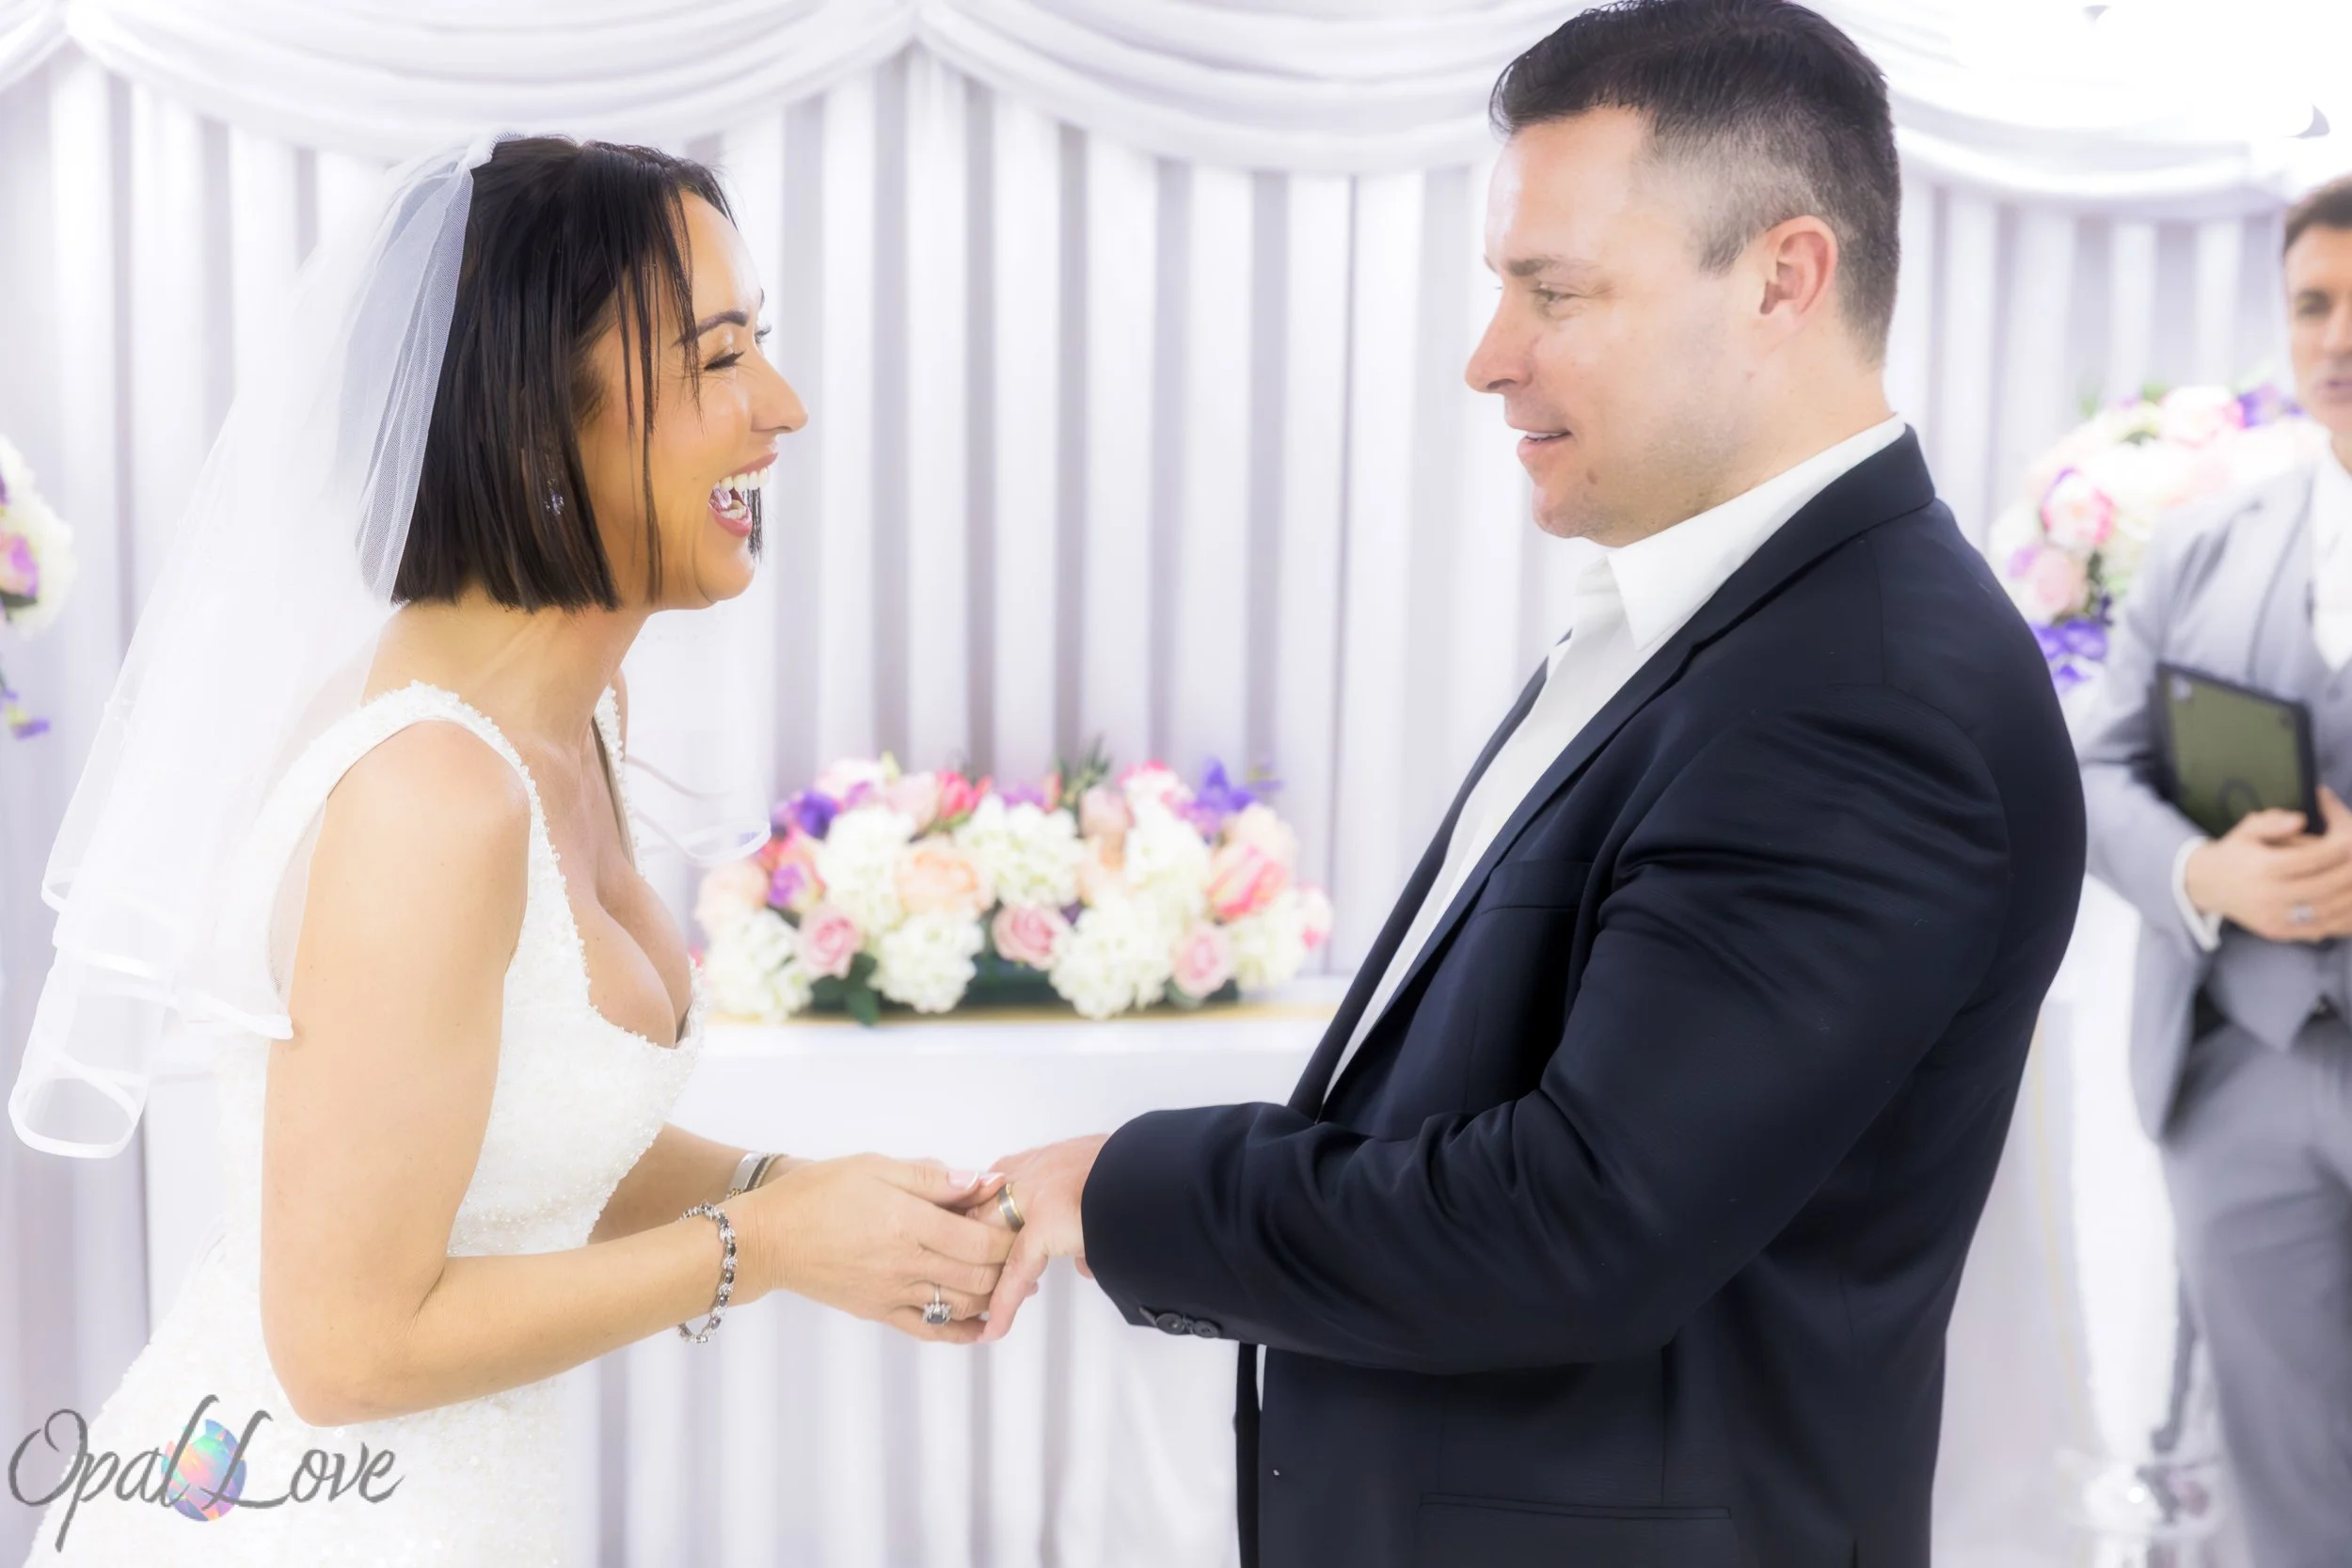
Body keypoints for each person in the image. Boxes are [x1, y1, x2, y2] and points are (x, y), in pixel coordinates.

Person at [968, 4, 2085, 1564]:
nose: (1490, 357)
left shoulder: (1862, 695)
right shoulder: (1742, 628)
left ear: (1785, 278)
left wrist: (1128, 1187)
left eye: (1553, 291)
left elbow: (1580, 1220)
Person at [9, 136, 1010, 1563]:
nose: (780, 410)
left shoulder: (566, 717)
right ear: (543, 418)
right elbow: (344, 1348)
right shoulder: (433, 793)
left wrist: (813, 1195)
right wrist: (770, 1247)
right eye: (720, 359)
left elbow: (521, 1127)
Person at [2076, 173, 2352, 1566]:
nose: (2340, 338)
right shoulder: (2197, 548)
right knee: (2286, 1473)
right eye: (2314, 304)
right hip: (2234, 1078)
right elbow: (2095, 769)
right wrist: (2204, 874)